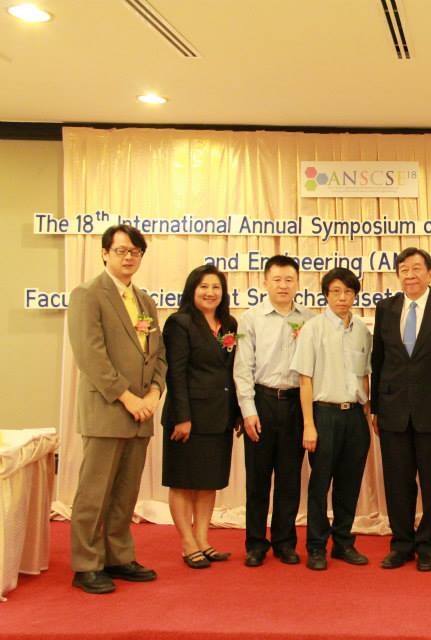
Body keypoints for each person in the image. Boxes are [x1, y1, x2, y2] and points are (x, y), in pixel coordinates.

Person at [66, 224, 166, 594]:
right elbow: (91, 356)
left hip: (141, 413)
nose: (128, 257)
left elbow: (158, 354)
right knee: (94, 493)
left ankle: (118, 556)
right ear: (105, 253)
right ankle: (86, 565)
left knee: (125, 493)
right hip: (108, 410)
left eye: (135, 252)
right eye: (121, 250)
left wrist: (154, 393)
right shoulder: (88, 295)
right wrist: (127, 397)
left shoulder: (145, 301)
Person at [370, 247, 431, 571]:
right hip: (393, 410)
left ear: (430, 273)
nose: (410, 275)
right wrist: (376, 406)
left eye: (416, 268)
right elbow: (378, 359)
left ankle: (428, 546)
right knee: (397, 482)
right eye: (404, 269)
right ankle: (401, 544)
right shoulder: (386, 308)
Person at [233, 255, 314, 567]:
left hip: (296, 403)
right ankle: (255, 543)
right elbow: (243, 368)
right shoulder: (250, 319)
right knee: (258, 479)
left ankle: (284, 542)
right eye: (277, 279)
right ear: (265, 282)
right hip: (262, 402)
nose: (283, 285)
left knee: (290, 478)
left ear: (298, 283)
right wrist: (248, 410)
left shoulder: (309, 319)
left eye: (289, 279)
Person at [290, 268, 373, 571]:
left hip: (355, 416)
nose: (342, 297)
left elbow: (365, 376)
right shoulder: (313, 328)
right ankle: (316, 546)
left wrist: (367, 415)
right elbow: (305, 380)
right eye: (336, 291)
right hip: (323, 414)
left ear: (355, 295)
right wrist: (309, 425)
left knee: (349, 484)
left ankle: (343, 543)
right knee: (320, 484)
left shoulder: (362, 330)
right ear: (326, 294)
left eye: (348, 292)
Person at [161, 265, 240, 569]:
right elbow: (175, 373)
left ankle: (203, 540)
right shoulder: (179, 323)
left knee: (208, 482)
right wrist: (182, 417)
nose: (210, 292)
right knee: (183, 481)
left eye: (216, 287)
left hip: (219, 415)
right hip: (189, 417)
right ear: (192, 290)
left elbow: (230, 371)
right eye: (204, 287)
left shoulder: (229, 323)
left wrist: (235, 412)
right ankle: (187, 543)